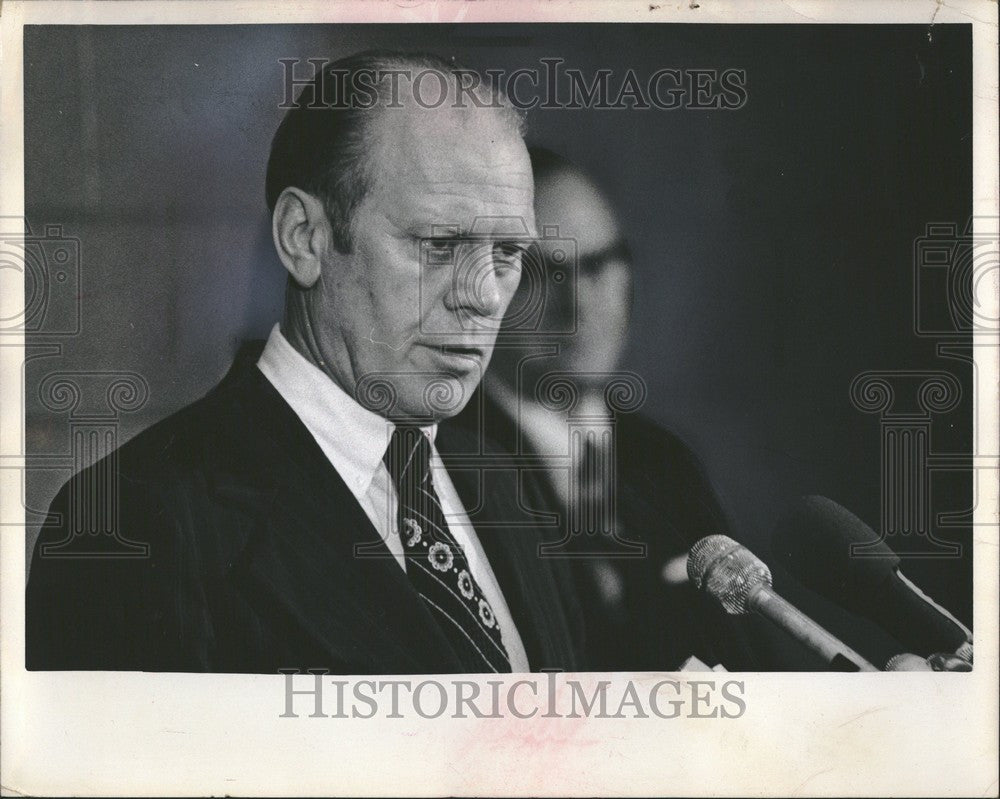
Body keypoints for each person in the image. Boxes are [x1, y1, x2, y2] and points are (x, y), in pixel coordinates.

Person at [26, 52, 585, 674]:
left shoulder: (509, 481)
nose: (483, 296)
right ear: (304, 238)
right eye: (441, 245)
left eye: (507, 251)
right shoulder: (132, 523)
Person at [454, 146, 761, 671]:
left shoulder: (663, 460)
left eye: (596, 266)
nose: (576, 306)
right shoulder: (448, 462)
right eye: (541, 275)